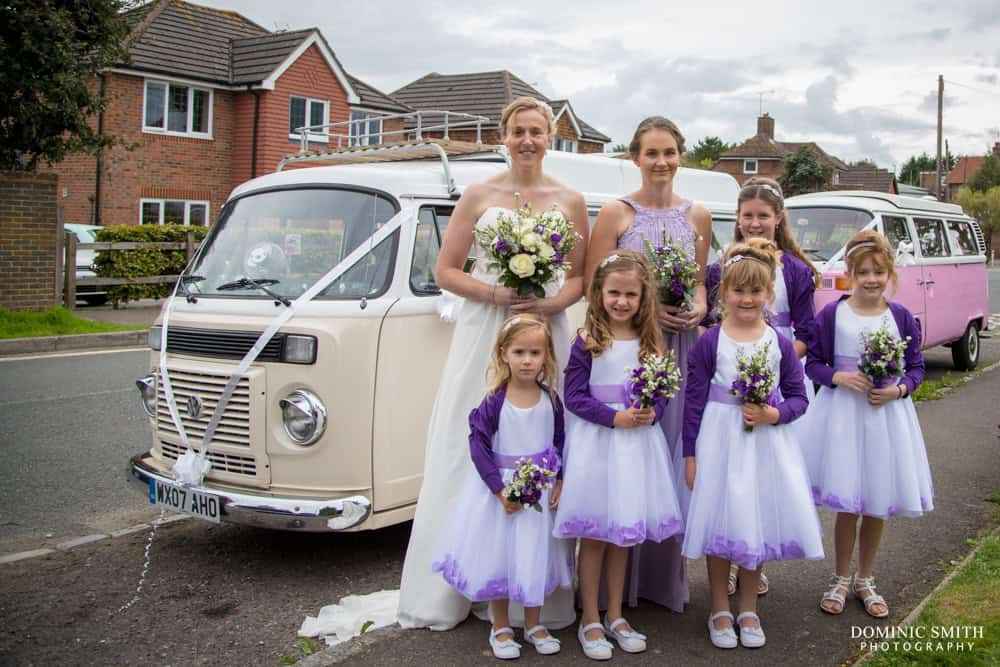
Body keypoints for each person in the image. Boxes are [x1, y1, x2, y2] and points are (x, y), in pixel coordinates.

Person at [397, 96, 589, 631]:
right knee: (474, 438)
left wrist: (553, 303)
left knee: (537, 438)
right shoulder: (479, 195)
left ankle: (534, 588)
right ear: (503, 137)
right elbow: (445, 269)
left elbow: (580, 278)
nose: (527, 140)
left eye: (537, 131)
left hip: (544, 327)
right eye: (518, 131)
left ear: (550, 137)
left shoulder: (570, 200)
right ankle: (456, 583)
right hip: (486, 328)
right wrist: (494, 292)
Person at [585, 116, 711, 614]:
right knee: (626, 455)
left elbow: (700, 281)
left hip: (679, 350)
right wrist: (645, 312)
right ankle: (610, 594)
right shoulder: (616, 213)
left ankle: (660, 582)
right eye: (651, 153)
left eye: (670, 153)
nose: (661, 162)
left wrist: (700, 305)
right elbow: (598, 287)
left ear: (681, 156)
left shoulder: (697, 216)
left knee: (668, 457)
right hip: (628, 348)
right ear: (635, 158)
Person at [682, 239, 823, 650]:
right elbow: (693, 401)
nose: (746, 298)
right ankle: (720, 608)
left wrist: (773, 414)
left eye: (755, 291)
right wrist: (691, 454)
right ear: (723, 292)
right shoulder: (710, 341)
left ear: (769, 295)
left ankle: (748, 607)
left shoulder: (778, 343)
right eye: (738, 290)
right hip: (719, 440)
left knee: (752, 518)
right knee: (720, 520)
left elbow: (798, 396)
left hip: (765, 443)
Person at [554, 250, 685, 660]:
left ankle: (615, 614)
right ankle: (589, 616)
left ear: (643, 296)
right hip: (598, 445)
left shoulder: (651, 343)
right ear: (599, 293)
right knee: (595, 535)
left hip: (637, 449)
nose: (622, 301)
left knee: (623, 536)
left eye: (630, 294)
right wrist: (614, 418)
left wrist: (651, 413)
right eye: (614, 292)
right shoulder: (588, 341)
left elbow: (662, 394)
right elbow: (573, 398)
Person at [802, 230, 932, 619]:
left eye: (878, 272)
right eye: (863, 272)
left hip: (884, 418)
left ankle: (865, 577)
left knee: (876, 501)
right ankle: (840, 577)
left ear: (888, 272)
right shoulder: (833, 315)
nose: (871, 279)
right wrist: (838, 378)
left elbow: (916, 367)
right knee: (848, 501)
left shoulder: (901, 317)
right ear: (850, 274)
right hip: (843, 417)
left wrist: (899, 390)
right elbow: (813, 363)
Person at [702, 176, 821, 597]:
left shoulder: (797, 270)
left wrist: (776, 360)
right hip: (726, 377)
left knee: (762, 475)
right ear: (737, 218)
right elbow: (708, 321)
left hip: (778, 375)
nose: (754, 223)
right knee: (730, 474)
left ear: (778, 218)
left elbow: (807, 329)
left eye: (762, 216)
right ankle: (729, 559)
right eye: (747, 216)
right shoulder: (721, 265)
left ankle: (755, 555)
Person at [432, 314, 573, 659]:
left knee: (534, 555)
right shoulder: (494, 400)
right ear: (503, 354)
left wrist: (560, 481)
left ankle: (534, 623)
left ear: (546, 357)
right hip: (503, 496)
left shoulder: (551, 400)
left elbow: (558, 442)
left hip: (537, 496)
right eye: (519, 352)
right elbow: (479, 445)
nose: (527, 360)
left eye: (535, 353)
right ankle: (501, 626)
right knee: (501, 558)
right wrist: (499, 490)